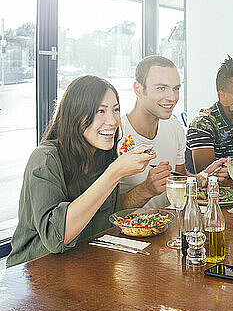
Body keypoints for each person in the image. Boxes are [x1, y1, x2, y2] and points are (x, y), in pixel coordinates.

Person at [7, 75, 155, 268]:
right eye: (100, 111)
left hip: (84, 267)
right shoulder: (45, 159)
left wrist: (147, 189)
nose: (112, 121)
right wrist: (115, 172)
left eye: (116, 109)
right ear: (75, 115)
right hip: (33, 275)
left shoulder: (103, 156)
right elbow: (56, 238)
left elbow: (107, 217)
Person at [118, 55, 227, 210]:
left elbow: (180, 178)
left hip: (168, 226)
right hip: (127, 231)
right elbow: (104, 213)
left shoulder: (173, 126)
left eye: (176, 88)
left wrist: (204, 177)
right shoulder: (115, 135)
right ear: (139, 89)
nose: (172, 97)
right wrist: (146, 190)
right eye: (161, 88)